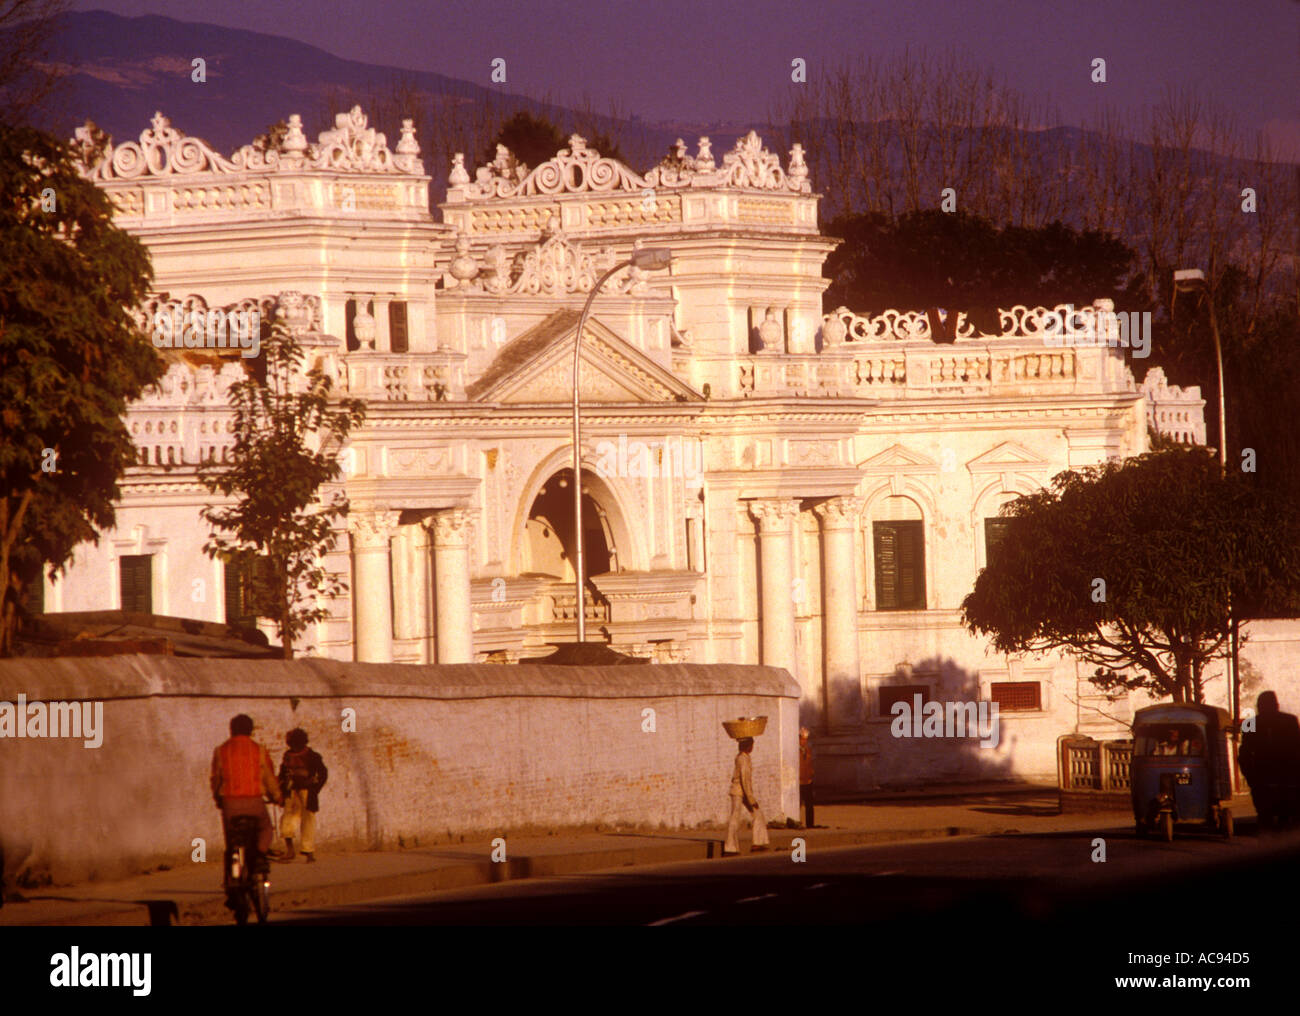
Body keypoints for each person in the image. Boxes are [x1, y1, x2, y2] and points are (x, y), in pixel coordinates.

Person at [211, 714, 282, 887]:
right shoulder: (259, 750)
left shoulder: (221, 751)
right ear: (251, 730)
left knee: (231, 841)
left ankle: (229, 880)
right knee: (265, 829)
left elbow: (215, 779)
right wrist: (277, 797)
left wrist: (218, 799)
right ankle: (259, 855)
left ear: (231, 729)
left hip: (230, 804)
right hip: (254, 803)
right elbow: (269, 778)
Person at [1239, 691, 1300, 829]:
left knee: (1266, 820)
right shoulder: (1289, 721)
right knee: (1288, 820)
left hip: (1264, 782)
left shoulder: (1250, 724)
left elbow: (1244, 755)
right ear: (1277, 705)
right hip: (1286, 781)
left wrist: (1250, 778)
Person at [277, 728, 328, 862]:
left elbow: (323, 773)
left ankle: (308, 851)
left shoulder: (313, 756)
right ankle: (290, 850)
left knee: (308, 820)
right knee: (288, 819)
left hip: (307, 791)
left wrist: (315, 788)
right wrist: (280, 789)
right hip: (292, 790)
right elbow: (282, 774)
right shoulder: (288, 756)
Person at [723, 737, 770, 856]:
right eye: (751, 745)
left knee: (757, 814)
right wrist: (751, 799)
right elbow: (745, 780)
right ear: (748, 746)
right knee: (735, 818)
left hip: (742, 792)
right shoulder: (743, 759)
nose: (752, 747)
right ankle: (730, 847)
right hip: (739, 792)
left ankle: (758, 842)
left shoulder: (743, 757)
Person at [798, 727, 816, 829]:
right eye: (802, 739)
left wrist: (811, 773)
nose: (804, 741)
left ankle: (810, 824)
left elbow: (810, 764)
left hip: (808, 780)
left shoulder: (808, 750)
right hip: (799, 781)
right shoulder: (795, 751)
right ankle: (797, 822)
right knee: (798, 804)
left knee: (809, 804)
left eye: (805, 739)